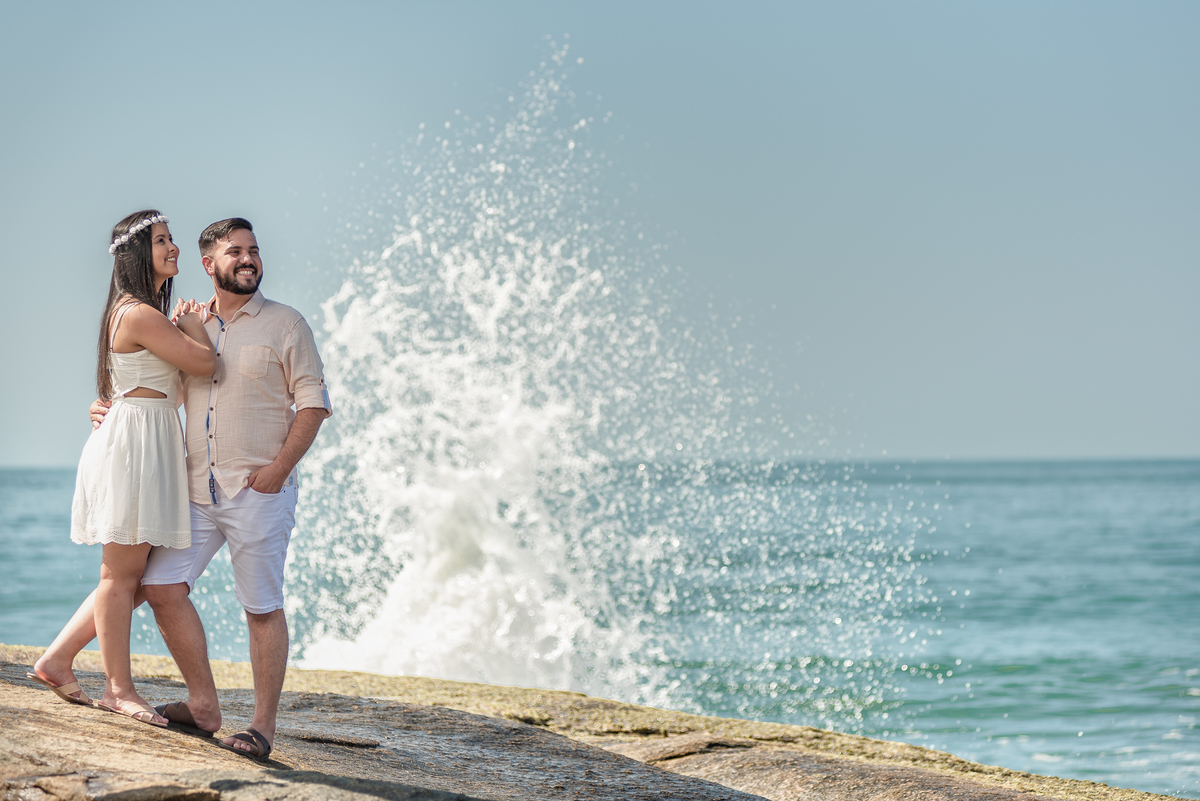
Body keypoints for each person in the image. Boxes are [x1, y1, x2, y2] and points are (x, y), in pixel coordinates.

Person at [36, 217, 332, 761]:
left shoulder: (287, 324)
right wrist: (109, 406)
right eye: (234, 252)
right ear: (210, 264)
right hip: (195, 488)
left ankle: (262, 727)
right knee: (158, 584)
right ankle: (203, 707)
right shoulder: (186, 321)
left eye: (254, 251)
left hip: (259, 489)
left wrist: (277, 471)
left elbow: (313, 404)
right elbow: (164, 391)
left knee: (261, 606)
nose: (248, 260)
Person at [28, 210, 217, 728]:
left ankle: (57, 659)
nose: (173, 247)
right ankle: (118, 689)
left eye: (172, 239)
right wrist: (196, 326)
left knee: (132, 578)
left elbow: (164, 388)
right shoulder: (138, 313)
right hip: (136, 444)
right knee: (121, 575)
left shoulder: (143, 312)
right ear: (137, 254)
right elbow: (205, 366)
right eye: (162, 241)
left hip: (146, 437)